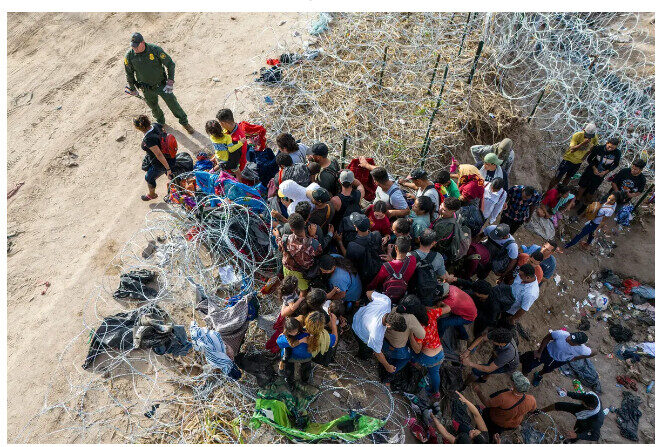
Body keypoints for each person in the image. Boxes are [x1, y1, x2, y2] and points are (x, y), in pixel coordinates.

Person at [124, 33, 194, 133]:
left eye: (136, 46)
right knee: (154, 108)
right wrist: (133, 88)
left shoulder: (155, 50)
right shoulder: (129, 56)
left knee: (173, 104)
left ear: (142, 42)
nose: (134, 48)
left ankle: (185, 123)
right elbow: (129, 74)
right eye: (133, 46)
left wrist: (170, 81)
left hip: (162, 85)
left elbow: (170, 64)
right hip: (146, 89)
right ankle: (161, 123)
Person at [521, 330, 594, 386]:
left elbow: (594, 352)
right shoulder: (561, 334)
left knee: (547, 369)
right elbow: (547, 338)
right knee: (531, 362)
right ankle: (524, 373)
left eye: (572, 340)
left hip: (559, 361)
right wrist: (540, 352)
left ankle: (539, 375)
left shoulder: (583, 349)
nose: (568, 338)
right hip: (547, 352)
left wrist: (575, 358)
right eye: (571, 336)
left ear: (577, 344)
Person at [381, 295, 426, 385]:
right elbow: (422, 335)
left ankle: (386, 361)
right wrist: (410, 332)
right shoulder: (410, 318)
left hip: (383, 341)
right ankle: (389, 374)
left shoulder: (394, 308)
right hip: (395, 348)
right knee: (407, 357)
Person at [473, 372, 537, 436]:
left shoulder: (504, 397)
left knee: (483, 424)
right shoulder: (531, 399)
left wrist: (478, 392)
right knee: (494, 433)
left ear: (515, 385)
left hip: (495, 420)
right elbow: (532, 410)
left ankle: (477, 434)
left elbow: (487, 403)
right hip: (512, 425)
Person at [352, 290, 406, 362]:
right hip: (357, 330)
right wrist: (388, 367)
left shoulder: (386, 301)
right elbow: (378, 353)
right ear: (388, 326)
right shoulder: (377, 334)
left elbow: (368, 293)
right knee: (366, 349)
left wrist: (372, 304)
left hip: (357, 314)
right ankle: (361, 357)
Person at [413, 298, 450, 399]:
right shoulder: (432, 313)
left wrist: (411, 337)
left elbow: (417, 349)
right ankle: (435, 392)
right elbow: (448, 308)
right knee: (434, 373)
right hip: (440, 352)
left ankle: (416, 363)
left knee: (410, 355)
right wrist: (439, 304)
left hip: (427, 357)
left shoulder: (418, 328)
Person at [277, 213, 322, 294]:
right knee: (303, 290)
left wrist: (277, 236)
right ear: (304, 223)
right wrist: (312, 236)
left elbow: (280, 248)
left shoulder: (285, 239)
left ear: (291, 229)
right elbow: (318, 252)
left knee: (289, 283)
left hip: (287, 267)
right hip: (301, 273)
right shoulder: (313, 244)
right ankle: (301, 299)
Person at [133, 115, 175, 201]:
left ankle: (152, 195)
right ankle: (171, 176)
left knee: (149, 177)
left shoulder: (149, 139)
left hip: (161, 163)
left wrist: (167, 169)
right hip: (170, 155)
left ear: (139, 128)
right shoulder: (156, 125)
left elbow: (159, 155)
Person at [576, 136, 621, 212]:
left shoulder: (617, 153)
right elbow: (590, 159)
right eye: (609, 147)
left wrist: (606, 172)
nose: (610, 149)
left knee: (592, 190)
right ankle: (577, 199)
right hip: (591, 170)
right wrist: (594, 168)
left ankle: (585, 205)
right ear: (607, 143)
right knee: (583, 185)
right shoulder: (599, 148)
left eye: (613, 148)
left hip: (601, 173)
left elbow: (615, 164)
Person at [548, 123, 599, 190]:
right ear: (584, 130)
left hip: (578, 162)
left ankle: (561, 193)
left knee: (568, 178)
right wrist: (582, 143)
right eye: (587, 136)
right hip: (568, 159)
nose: (588, 138)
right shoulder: (577, 135)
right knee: (557, 177)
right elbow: (572, 150)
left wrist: (587, 153)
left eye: (590, 137)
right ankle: (548, 192)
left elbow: (595, 145)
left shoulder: (594, 137)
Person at [368, 236, 417, 302]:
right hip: (403, 294)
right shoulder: (412, 260)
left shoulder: (386, 267)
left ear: (396, 247)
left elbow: (374, 283)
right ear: (409, 248)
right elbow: (400, 263)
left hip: (387, 297)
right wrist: (391, 260)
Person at [410, 229, 450, 305]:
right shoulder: (438, 257)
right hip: (428, 290)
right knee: (447, 286)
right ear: (434, 243)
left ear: (419, 239)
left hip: (412, 288)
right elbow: (443, 276)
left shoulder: (410, 255)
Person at [344, 213, 384, 287]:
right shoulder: (377, 234)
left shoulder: (352, 246)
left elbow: (348, 262)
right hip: (377, 270)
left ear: (356, 228)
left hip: (363, 276)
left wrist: (339, 242)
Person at [215, 109, 248, 180]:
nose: (220, 126)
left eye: (220, 123)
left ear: (224, 123)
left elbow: (233, 163)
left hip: (238, 164)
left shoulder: (235, 140)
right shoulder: (235, 126)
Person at [330, 170, 363, 240]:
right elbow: (359, 184)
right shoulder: (359, 194)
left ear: (339, 181)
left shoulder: (335, 200)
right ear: (352, 182)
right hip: (355, 227)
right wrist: (351, 178)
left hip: (340, 232)